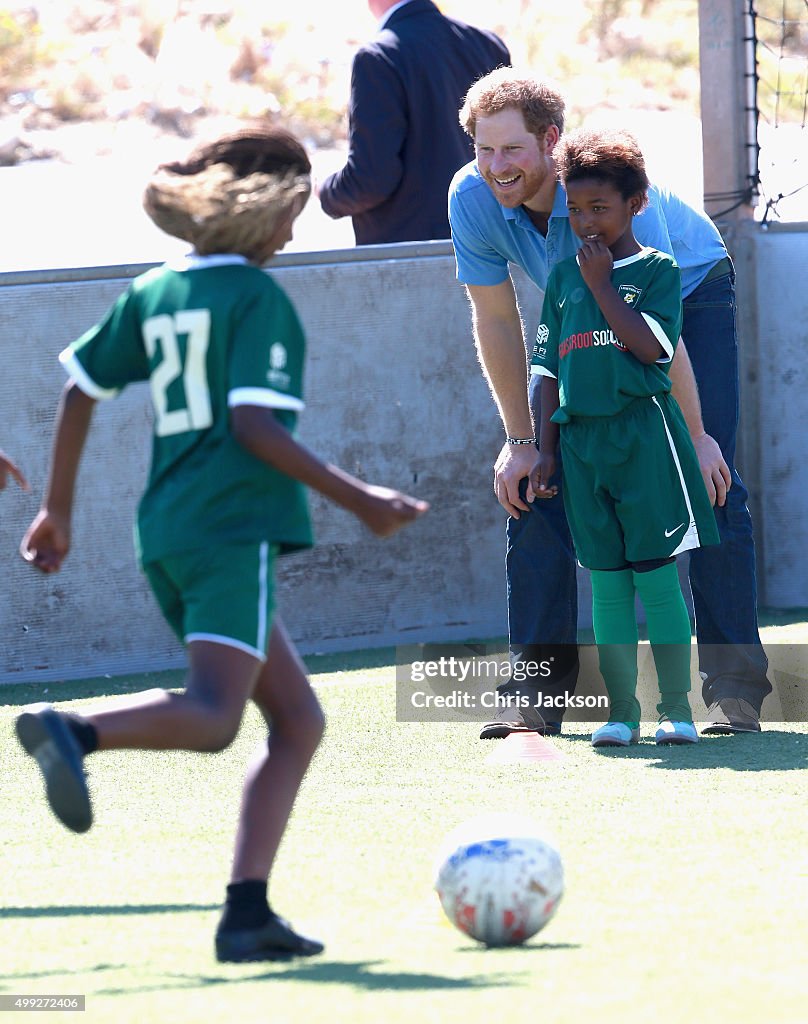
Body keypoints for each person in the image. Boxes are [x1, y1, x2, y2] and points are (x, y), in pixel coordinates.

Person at [17, 122, 429, 964]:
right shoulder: (256, 299)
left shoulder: (156, 289)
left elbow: (79, 389)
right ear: (261, 208)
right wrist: (362, 500)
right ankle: (73, 729)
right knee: (212, 719)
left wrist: (58, 511)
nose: (293, 232)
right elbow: (251, 426)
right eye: (292, 214)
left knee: (299, 721)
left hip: (167, 529)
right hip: (229, 529)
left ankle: (247, 913)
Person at [448, 68, 772, 739]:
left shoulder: (608, 196)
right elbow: (498, 319)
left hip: (685, 293)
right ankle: (534, 697)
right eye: (483, 149)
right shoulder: (470, 197)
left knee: (706, 480)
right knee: (535, 484)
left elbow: (664, 339)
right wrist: (521, 439)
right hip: (582, 309)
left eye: (512, 150)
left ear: (551, 143)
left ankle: (733, 692)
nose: (495, 166)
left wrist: (697, 435)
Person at [529, 127, 719, 747]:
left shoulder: (657, 271)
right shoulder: (561, 281)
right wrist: (546, 450)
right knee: (605, 579)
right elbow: (546, 374)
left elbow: (650, 349)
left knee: (656, 574)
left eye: (599, 209)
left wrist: (604, 285)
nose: (585, 221)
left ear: (635, 204)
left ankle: (676, 710)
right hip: (581, 446)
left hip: (645, 443)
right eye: (575, 208)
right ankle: (621, 714)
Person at [317, 0, 509, 244]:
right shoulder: (487, 45)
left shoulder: (377, 57)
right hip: (489, 245)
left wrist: (326, 191)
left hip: (411, 258)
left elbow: (372, 179)